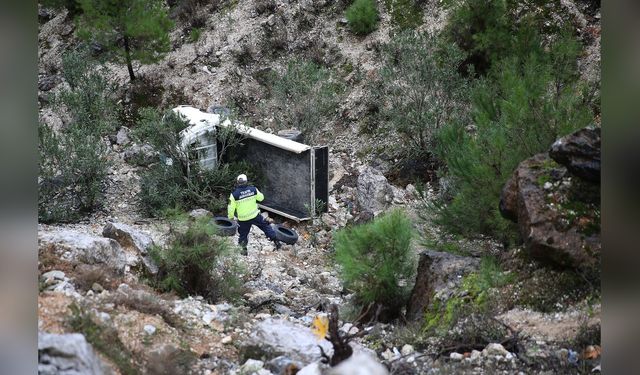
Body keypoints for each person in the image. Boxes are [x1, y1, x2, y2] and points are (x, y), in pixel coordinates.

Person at [227, 174, 281, 255]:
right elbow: (261, 198)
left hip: (243, 219)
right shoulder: (253, 189)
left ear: (237, 182)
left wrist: (231, 218)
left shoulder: (234, 195)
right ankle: (276, 241)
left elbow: (230, 208)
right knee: (265, 226)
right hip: (255, 216)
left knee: (243, 234)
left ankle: (243, 251)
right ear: (246, 181)